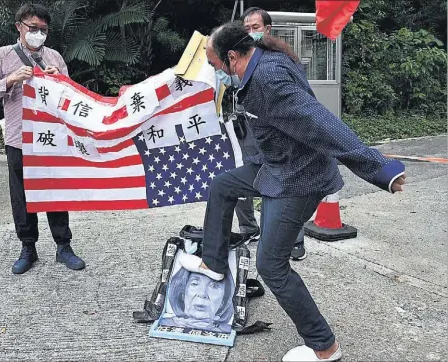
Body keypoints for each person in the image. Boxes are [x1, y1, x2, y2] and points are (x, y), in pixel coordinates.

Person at [180, 21, 406, 361]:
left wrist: (379, 168)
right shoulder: (260, 57)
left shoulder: (268, 79)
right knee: (223, 185)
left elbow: (321, 123)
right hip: (275, 165)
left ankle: (324, 347)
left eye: (215, 66)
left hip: (298, 179)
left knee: (271, 265)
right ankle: (213, 262)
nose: (215, 74)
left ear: (231, 56)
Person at [0, 4, 85, 274]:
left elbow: (71, 98)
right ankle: (28, 247)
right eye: (33, 28)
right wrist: (10, 79)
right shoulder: (2, 56)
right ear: (19, 27)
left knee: (55, 192)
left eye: (43, 29)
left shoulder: (54, 57)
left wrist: (59, 80)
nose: (38, 33)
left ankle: (63, 246)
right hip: (18, 137)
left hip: (51, 137)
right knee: (21, 194)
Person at [235, 6, 307, 260]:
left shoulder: (279, 58)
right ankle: (249, 229)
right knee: (240, 174)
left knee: (281, 180)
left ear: (268, 29)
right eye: (246, 29)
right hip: (245, 128)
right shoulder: (239, 55)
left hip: (276, 131)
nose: (251, 33)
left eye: (256, 28)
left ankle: (292, 240)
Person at [159, 266, 235, 333]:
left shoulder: (229, 330)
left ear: (224, 300)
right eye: (194, 283)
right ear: (182, 293)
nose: (202, 294)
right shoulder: (162, 323)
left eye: (214, 286)